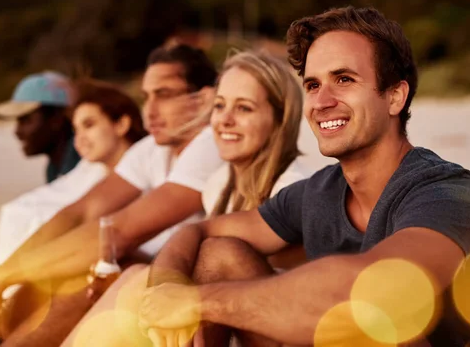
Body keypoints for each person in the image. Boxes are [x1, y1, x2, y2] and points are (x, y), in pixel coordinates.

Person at [137, 7, 470, 346]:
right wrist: (168, 285)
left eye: (345, 80)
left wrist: (198, 302)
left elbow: (375, 291)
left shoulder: (447, 194)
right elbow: (203, 232)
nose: (321, 101)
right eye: (314, 85)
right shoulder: (317, 192)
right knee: (218, 256)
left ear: (395, 97)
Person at [0, 44, 224, 347]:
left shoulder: (210, 144)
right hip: (151, 276)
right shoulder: (154, 149)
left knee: (88, 270)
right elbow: (81, 212)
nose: (149, 109)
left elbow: (121, 231)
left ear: (203, 98)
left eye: (163, 94)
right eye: (146, 96)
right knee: (57, 268)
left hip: (190, 285)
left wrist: (0, 278)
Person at [60, 49, 314, 346]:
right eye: (220, 106)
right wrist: (133, 267)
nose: (226, 120)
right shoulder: (219, 185)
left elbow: (227, 266)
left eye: (244, 108)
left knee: (200, 263)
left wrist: (164, 290)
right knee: (133, 272)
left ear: (280, 118)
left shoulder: (294, 187)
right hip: (232, 326)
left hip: (285, 334)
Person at [0, 79, 148, 266]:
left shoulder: (145, 164)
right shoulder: (83, 168)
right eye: (76, 129)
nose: (79, 139)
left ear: (122, 124)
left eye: (89, 125)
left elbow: (82, 214)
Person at [0, 71, 81, 183]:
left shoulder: (82, 167)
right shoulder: (54, 167)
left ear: (56, 119)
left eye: (26, 120)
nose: (17, 132)